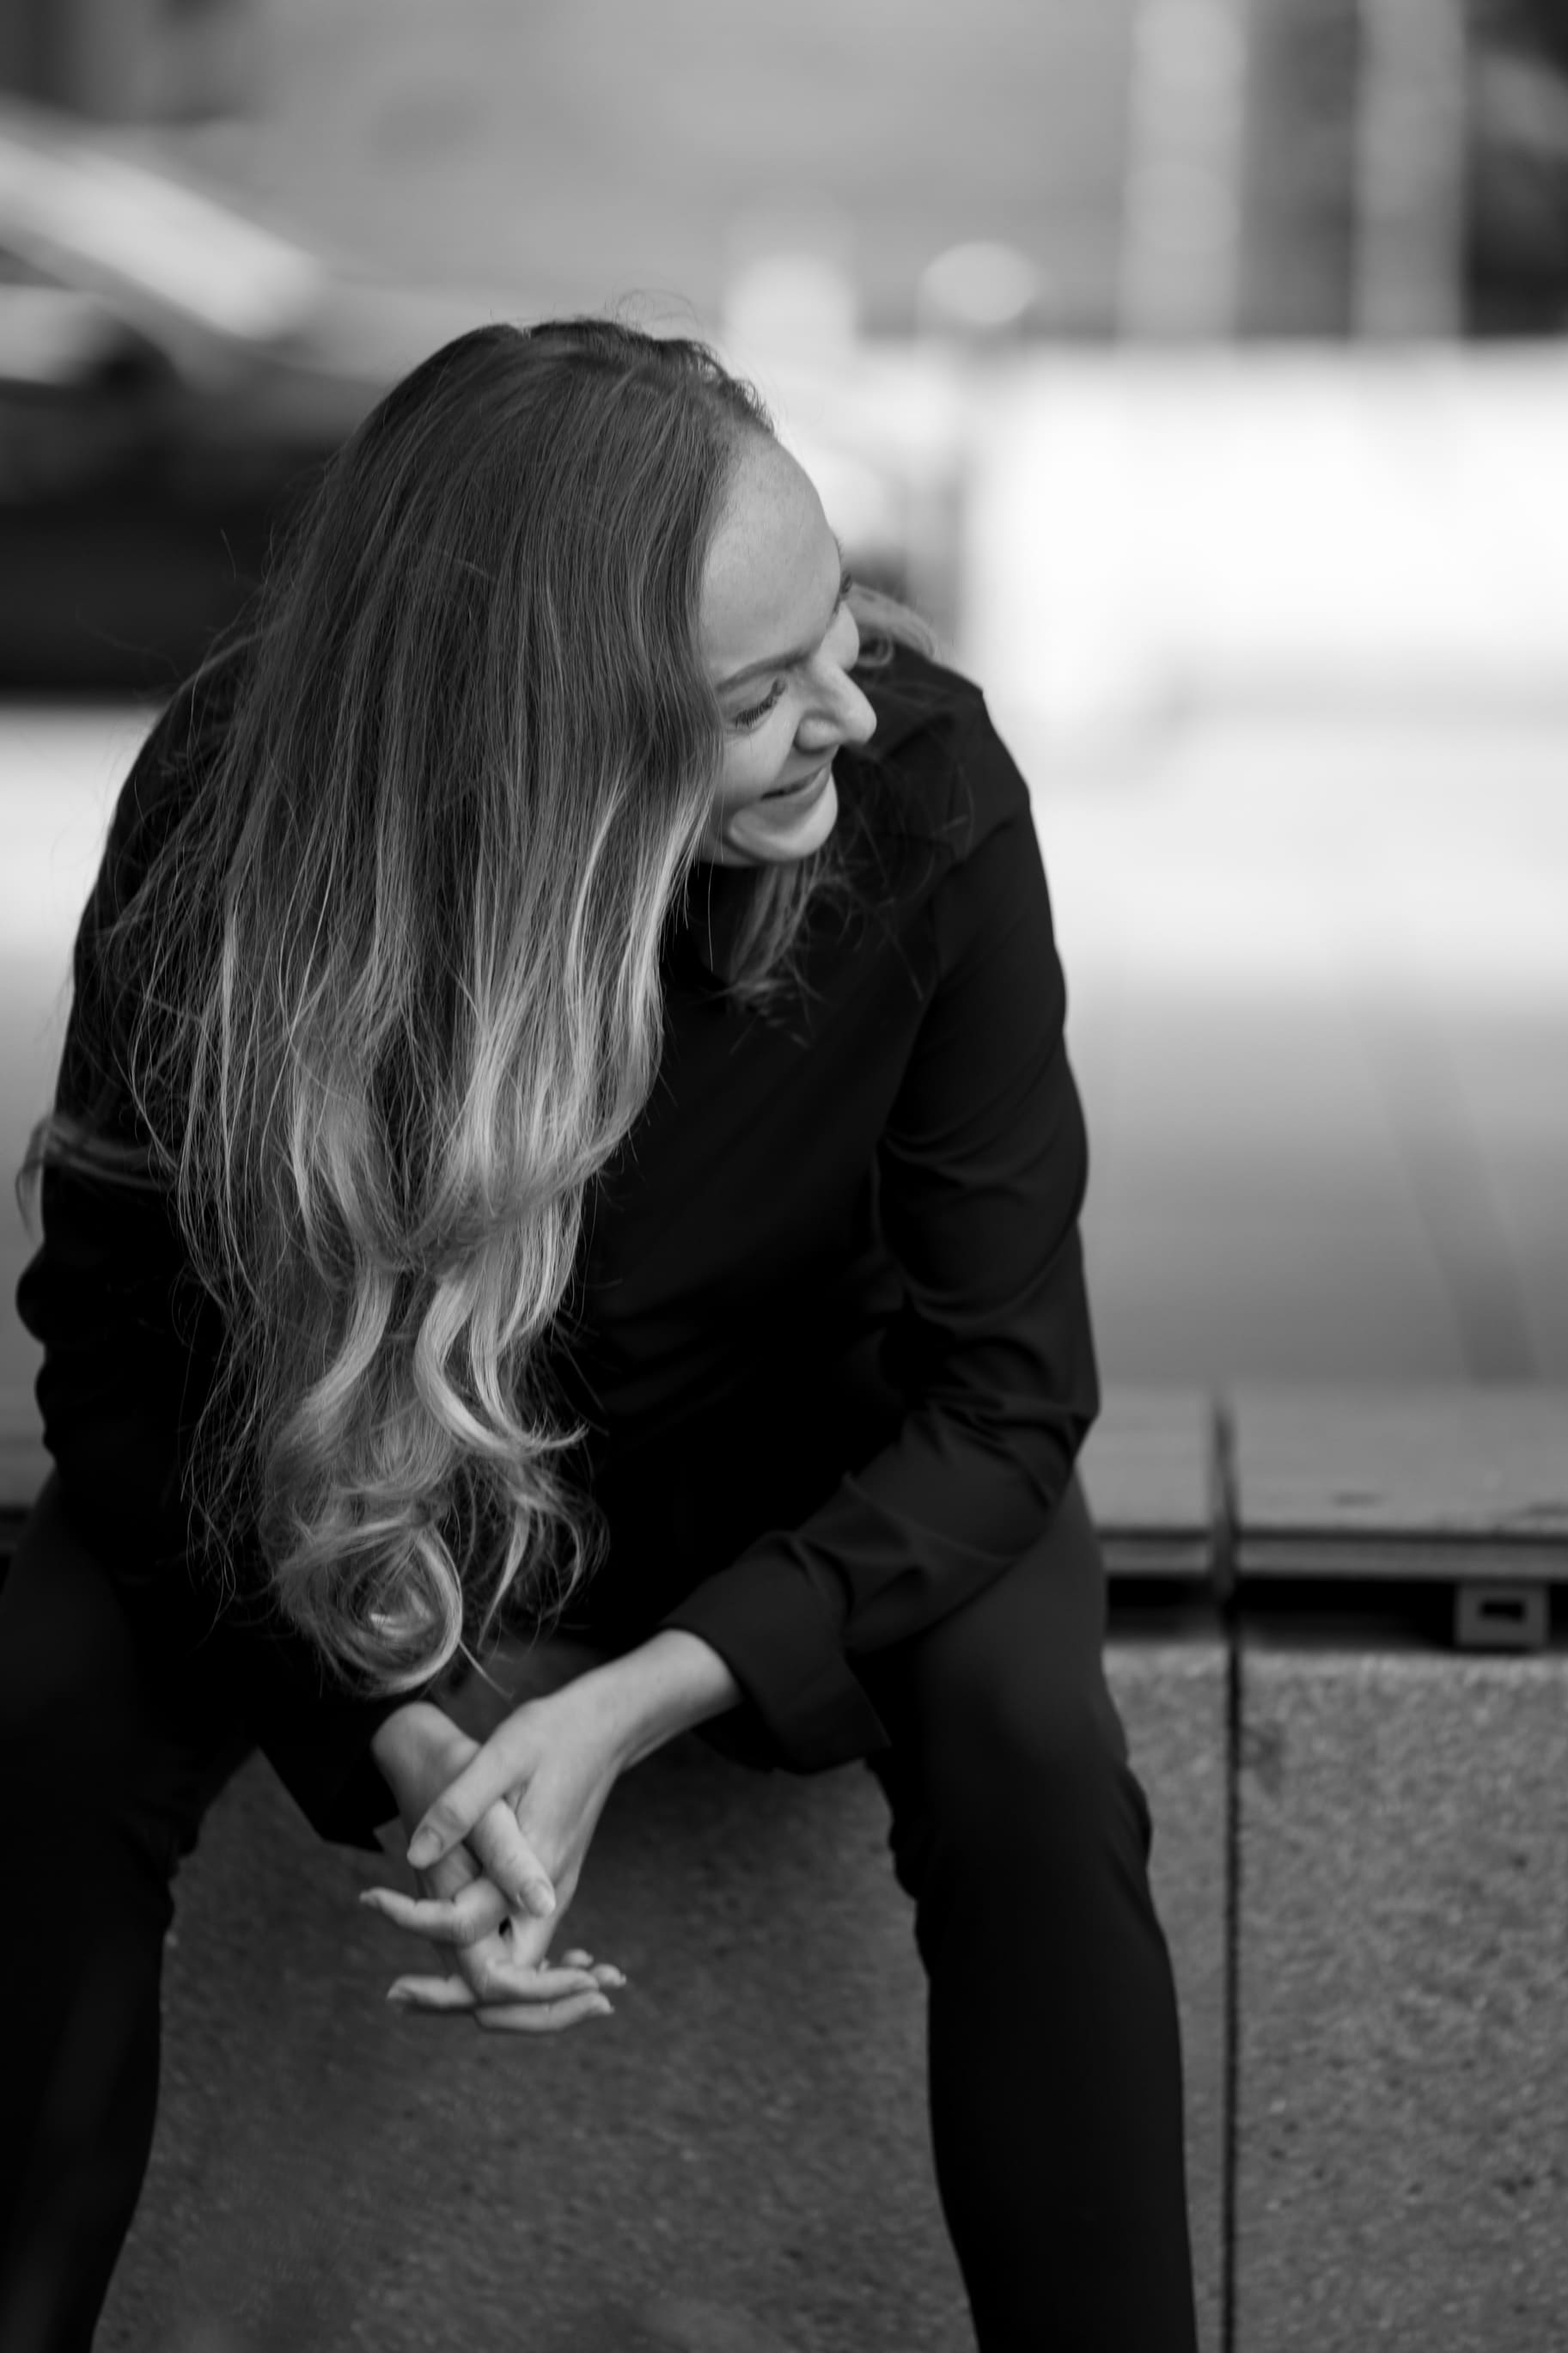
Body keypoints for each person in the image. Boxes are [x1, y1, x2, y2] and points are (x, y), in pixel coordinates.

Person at [0, 315, 1199, 2352]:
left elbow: (1006, 1392)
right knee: (45, 1702)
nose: (848, 703)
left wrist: (625, 1702)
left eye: (837, 622)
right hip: (364, 1478)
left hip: (808, 1469)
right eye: (758, 693)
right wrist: (390, 1723)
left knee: (1029, 1734)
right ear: (557, 741)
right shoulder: (241, 801)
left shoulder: (923, 790)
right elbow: (115, 1358)